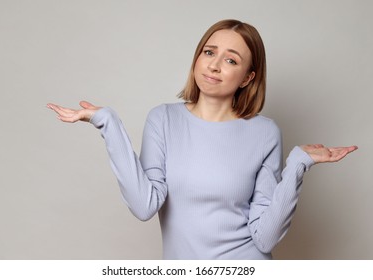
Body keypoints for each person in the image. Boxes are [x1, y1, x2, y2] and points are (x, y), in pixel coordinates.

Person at [47, 19, 357, 259]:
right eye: (209, 52)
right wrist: (108, 123)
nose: (214, 65)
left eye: (231, 60)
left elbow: (265, 237)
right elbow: (144, 205)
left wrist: (298, 165)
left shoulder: (264, 132)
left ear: (249, 77)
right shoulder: (163, 119)